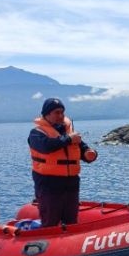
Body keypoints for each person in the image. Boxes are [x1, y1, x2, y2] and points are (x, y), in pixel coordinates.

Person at [28, 97, 97, 227]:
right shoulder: (37, 133)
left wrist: (90, 154)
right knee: (51, 221)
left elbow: (83, 149)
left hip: (71, 183)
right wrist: (69, 139)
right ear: (47, 114)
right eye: (57, 112)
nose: (61, 115)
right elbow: (47, 147)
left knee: (71, 221)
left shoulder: (70, 133)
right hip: (48, 183)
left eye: (62, 112)